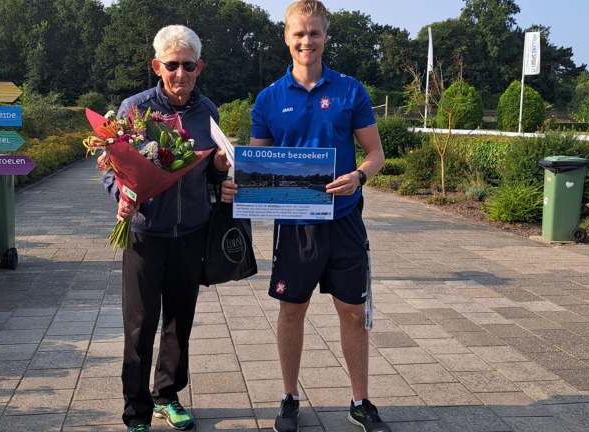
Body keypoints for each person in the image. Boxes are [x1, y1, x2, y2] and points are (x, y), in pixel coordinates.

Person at [221, 1, 389, 431]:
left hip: (345, 221)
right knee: (292, 311)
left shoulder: (351, 90)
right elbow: (257, 162)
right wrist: (236, 179)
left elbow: (375, 153)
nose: (306, 41)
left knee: (353, 312)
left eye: (314, 33)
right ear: (286, 37)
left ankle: (360, 401)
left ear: (326, 36)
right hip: (294, 225)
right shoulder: (269, 98)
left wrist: (359, 176)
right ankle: (290, 397)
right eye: (299, 34)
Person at [103, 25, 230, 432]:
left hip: (191, 232)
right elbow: (112, 167)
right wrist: (121, 196)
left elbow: (210, 172)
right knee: (139, 325)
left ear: (199, 67)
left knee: (180, 322)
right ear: (157, 65)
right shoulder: (134, 109)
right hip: (145, 234)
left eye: (188, 65)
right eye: (171, 65)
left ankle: (168, 395)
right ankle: (136, 410)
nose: (180, 73)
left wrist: (222, 172)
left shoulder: (207, 110)